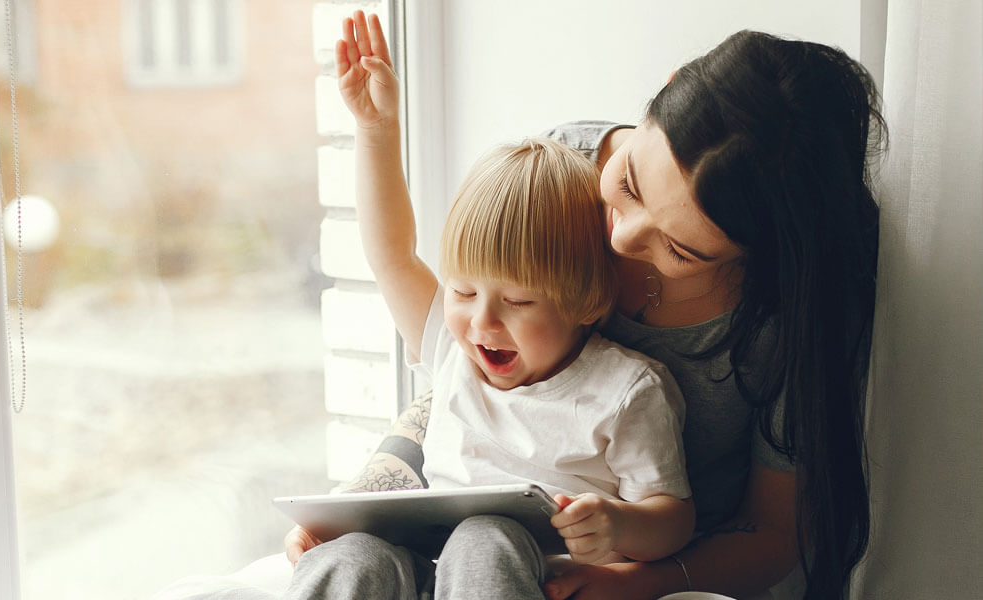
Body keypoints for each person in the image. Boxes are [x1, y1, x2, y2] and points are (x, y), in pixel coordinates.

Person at [313, 25, 883, 600]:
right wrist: (356, 509)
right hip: (440, 544)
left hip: (628, 568)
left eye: (680, 249)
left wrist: (633, 577)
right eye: (629, 185)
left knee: (486, 543)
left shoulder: (655, 379)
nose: (621, 240)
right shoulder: (551, 178)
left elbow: (769, 533)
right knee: (351, 557)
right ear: (667, 89)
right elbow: (434, 347)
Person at [279, 10, 697, 600]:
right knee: (351, 556)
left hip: (527, 580)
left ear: (587, 301)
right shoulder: (455, 351)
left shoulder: (625, 391)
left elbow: (674, 515)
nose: (482, 323)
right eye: (464, 291)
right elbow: (392, 255)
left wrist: (621, 524)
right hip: (426, 565)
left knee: (485, 537)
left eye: (519, 300)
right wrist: (376, 130)